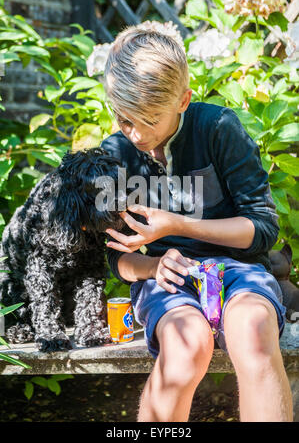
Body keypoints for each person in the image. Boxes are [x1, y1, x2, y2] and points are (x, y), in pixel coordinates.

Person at [99, 21, 293, 422]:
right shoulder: (113, 154)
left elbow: (262, 229)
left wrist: (178, 225)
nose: (135, 134)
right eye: (124, 119)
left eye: (149, 119)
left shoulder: (219, 128)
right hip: (165, 280)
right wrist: (153, 264)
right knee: (185, 347)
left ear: (183, 100)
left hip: (241, 272)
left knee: (254, 334)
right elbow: (112, 257)